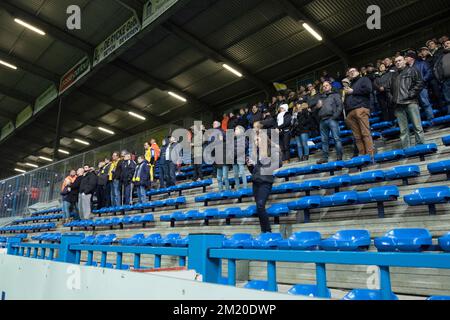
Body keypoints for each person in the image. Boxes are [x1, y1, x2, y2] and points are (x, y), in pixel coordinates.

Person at [247, 123, 281, 233]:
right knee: (259, 207)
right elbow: (254, 172)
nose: (256, 142)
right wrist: (250, 166)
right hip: (256, 182)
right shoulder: (256, 154)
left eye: (258, 140)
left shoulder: (271, 150)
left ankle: (268, 231)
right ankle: (264, 231)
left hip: (265, 182)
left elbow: (278, 163)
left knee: (260, 205)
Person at [388, 55, 425, 148]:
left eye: (399, 60)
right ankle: (406, 149)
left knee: (417, 127)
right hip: (398, 105)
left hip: (410, 102)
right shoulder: (394, 74)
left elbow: (419, 83)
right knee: (403, 130)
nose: (398, 62)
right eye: (396, 61)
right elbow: (389, 89)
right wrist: (393, 98)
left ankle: (420, 147)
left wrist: (410, 94)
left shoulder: (412, 70)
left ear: (405, 61)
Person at [344, 67, 375, 158]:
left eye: (353, 71)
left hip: (360, 109)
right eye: (349, 72)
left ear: (358, 72)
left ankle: (370, 155)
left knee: (365, 133)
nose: (351, 73)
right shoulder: (350, 85)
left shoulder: (364, 79)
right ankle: (362, 156)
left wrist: (353, 91)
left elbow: (369, 89)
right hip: (350, 112)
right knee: (357, 137)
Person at [313, 81, 344, 164]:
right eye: (324, 86)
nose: (325, 87)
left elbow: (340, 106)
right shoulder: (320, 98)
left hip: (332, 119)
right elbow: (314, 111)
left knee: (336, 138)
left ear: (330, 86)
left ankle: (339, 156)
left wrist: (334, 117)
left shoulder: (335, 95)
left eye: (327, 85)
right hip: (322, 121)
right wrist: (317, 107)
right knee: (324, 141)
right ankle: (325, 158)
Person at [405, 50, 435, 120]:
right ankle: (420, 124)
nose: (405, 59)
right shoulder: (406, 68)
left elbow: (429, 72)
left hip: (422, 87)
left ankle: (431, 121)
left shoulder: (422, 63)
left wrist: (422, 80)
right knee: (415, 107)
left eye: (406, 57)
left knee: (425, 104)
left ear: (411, 58)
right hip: (412, 90)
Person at [211, 120, 230, 192]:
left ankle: (228, 190)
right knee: (219, 177)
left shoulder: (222, 132)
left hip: (223, 155)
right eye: (213, 123)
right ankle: (220, 190)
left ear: (218, 124)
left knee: (225, 176)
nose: (213, 124)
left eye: (214, 123)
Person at [434, 39, 450, 114]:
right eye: (445, 44)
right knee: (448, 99)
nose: (446, 45)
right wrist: (440, 79)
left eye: (448, 43)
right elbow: (436, 68)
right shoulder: (441, 56)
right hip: (446, 81)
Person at [232, 125, 248, 190]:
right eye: (235, 129)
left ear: (241, 130)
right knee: (235, 174)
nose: (235, 131)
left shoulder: (243, 138)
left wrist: (234, 153)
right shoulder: (233, 139)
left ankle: (245, 187)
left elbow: (243, 148)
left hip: (240, 157)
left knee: (242, 173)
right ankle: (238, 188)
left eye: (236, 129)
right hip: (234, 159)